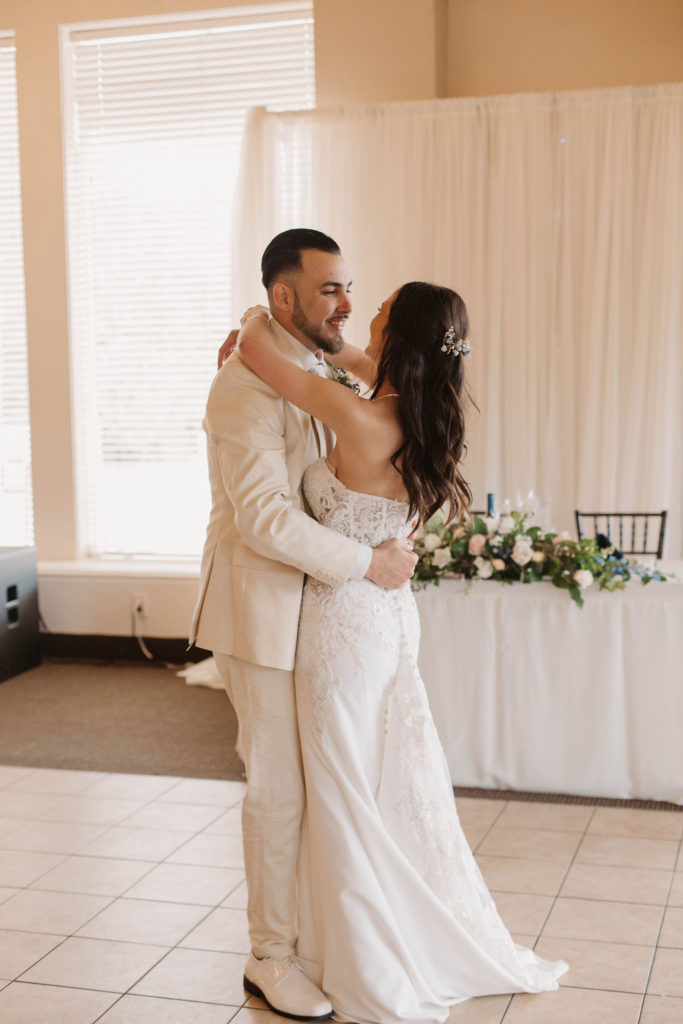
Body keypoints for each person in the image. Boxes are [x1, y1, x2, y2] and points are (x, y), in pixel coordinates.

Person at [235, 282, 568, 1023]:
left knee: (344, 790)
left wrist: (260, 316)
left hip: (343, 626)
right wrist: (331, 341)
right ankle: (371, 937)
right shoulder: (412, 413)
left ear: (401, 334)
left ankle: (363, 959)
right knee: (378, 780)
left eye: (380, 304)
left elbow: (263, 349)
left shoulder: (355, 414)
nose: (366, 309)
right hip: (387, 620)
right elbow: (340, 351)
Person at [189, 229, 417, 1022]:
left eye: (349, 286)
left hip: (327, 618)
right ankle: (269, 959)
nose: (346, 304)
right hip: (263, 613)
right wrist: (368, 565)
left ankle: (319, 938)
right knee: (278, 791)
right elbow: (263, 520)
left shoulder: (316, 365)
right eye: (329, 290)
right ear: (282, 296)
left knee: (332, 787)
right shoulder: (240, 388)